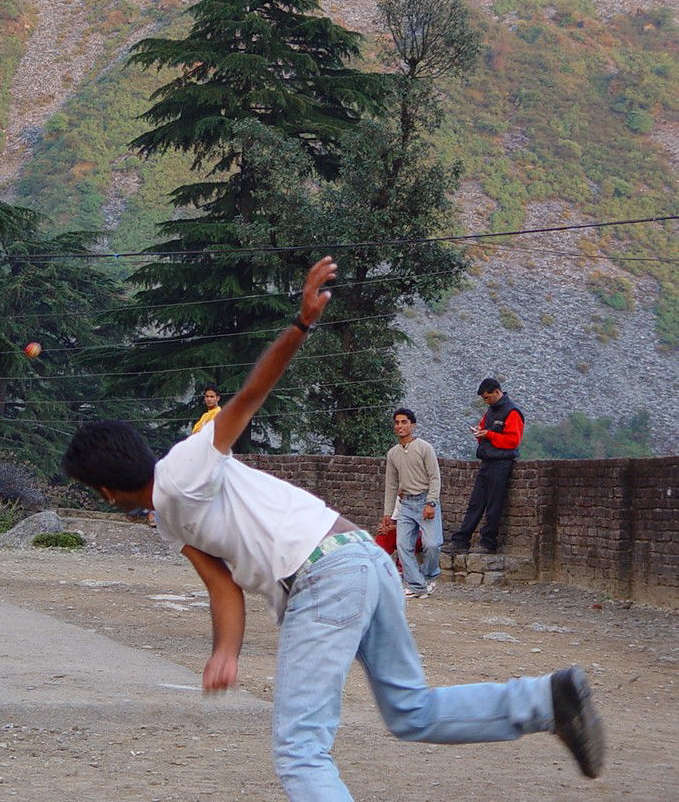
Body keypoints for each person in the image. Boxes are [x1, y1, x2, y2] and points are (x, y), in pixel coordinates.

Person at [62, 257, 604, 799]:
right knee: (409, 710)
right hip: (364, 558)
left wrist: (301, 324)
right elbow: (221, 585)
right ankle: (545, 701)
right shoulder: (170, 514)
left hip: (323, 576)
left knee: (300, 750)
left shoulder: (183, 467)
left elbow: (249, 398)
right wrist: (225, 650)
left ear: (106, 491)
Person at [445, 378, 524, 554]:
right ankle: (461, 540)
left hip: (502, 462)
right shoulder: (490, 412)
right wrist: (480, 434)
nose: (485, 402)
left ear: (497, 392)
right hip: (488, 461)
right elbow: (484, 429)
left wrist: (489, 434)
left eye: (487, 398)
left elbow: (513, 441)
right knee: (476, 502)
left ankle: (488, 542)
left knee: (494, 504)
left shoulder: (512, 412)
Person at [382, 407, 443, 599]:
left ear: (412, 425)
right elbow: (391, 485)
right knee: (402, 545)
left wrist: (431, 503)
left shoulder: (424, 448)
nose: (400, 426)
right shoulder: (393, 453)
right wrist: (388, 513)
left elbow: (435, 477)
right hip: (406, 503)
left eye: (404, 422)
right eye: (397, 422)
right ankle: (417, 586)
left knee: (432, 544)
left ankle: (429, 576)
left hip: (425, 500)